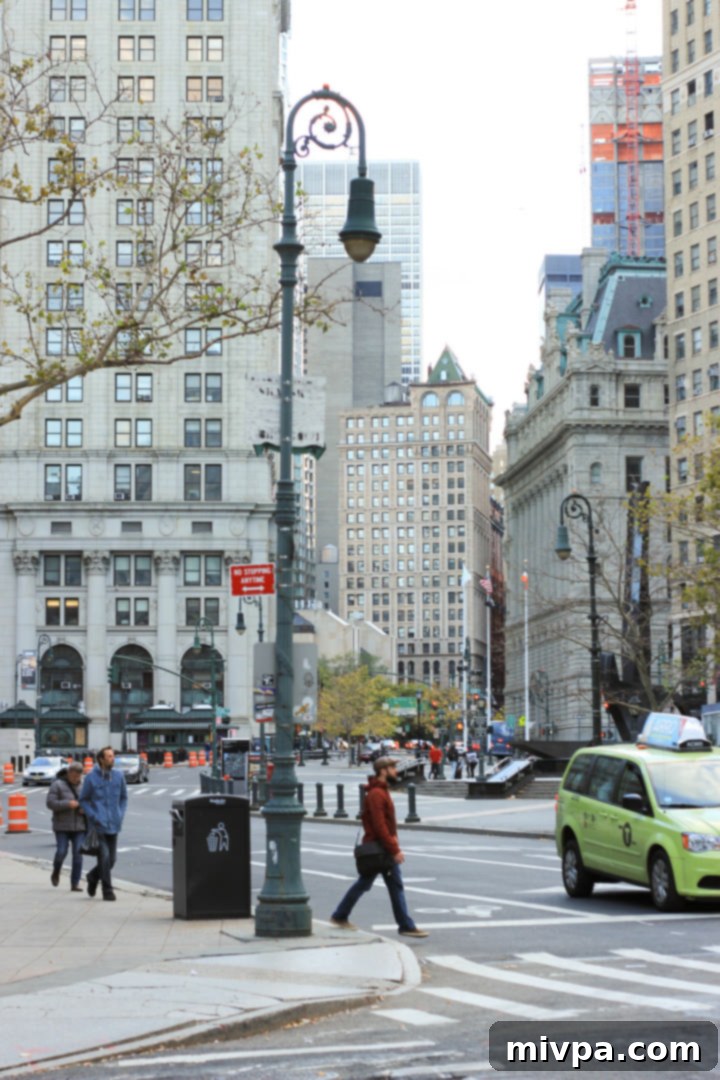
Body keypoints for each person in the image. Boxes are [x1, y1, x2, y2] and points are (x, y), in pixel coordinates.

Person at [330, 757, 427, 938]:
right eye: (392, 768)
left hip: (380, 848)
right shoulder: (376, 794)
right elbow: (380, 826)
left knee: (372, 884)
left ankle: (340, 915)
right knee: (383, 885)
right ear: (383, 771)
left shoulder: (381, 791)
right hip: (380, 849)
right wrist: (394, 849)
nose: (396, 772)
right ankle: (405, 925)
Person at [79, 746, 128, 901]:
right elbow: (83, 799)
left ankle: (92, 877)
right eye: (108, 756)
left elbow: (123, 797)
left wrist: (120, 813)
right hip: (98, 825)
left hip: (114, 823)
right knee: (104, 857)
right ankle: (107, 890)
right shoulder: (91, 777)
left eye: (113, 756)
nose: (112, 758)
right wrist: (93, 815)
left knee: (112, 860)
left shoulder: (119, 776)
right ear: (101, 759)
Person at [46, 761, 86, 891]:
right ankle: (56, 870)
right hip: (62, 825)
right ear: (68, 773)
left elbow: (91, 802)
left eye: (78, 777)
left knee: (78, 854)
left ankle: (75, 883)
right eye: (73, 776)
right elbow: (50, 803)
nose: (76, 779)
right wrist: (67, 804)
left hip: (79, 826)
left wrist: (84, 809)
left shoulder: (84, 786)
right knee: (61, 851)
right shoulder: (57, 785)